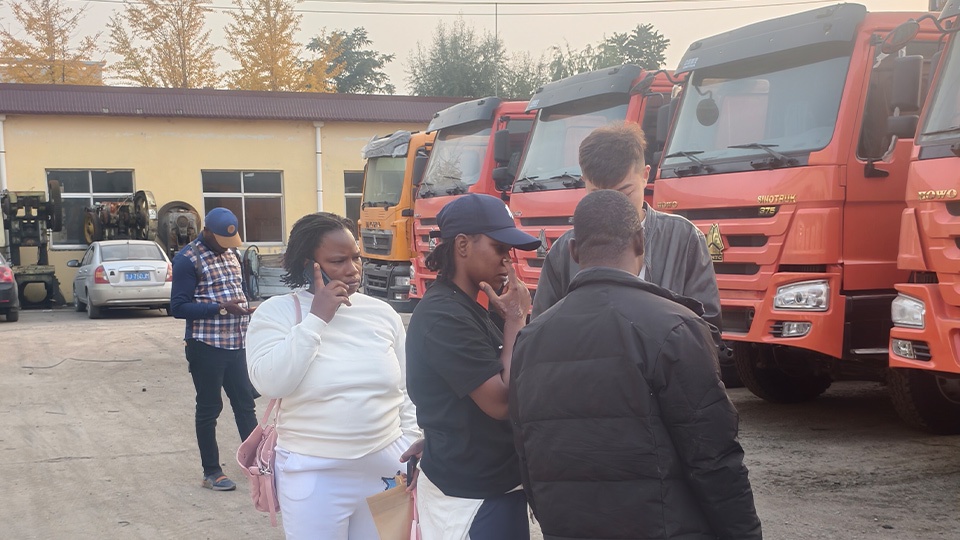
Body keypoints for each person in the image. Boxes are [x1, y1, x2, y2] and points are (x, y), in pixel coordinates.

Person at [510, 189, 762, 540]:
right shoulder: (676, 328)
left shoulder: (530, 339)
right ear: (641, 242)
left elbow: (527, 454)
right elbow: (714, 458)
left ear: (573, 251)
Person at [245, 212, 420, 540]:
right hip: (313, 472)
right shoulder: (278, 313)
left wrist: (410, 438)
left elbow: (406, 388)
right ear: (307, 263)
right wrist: (317, 319)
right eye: (338, 260)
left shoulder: (381, 314)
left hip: (385, 467)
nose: (352, 270)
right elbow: (271, 382)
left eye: (356, 258)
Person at [404, 193, 541, 540]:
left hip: (493, 486)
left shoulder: (468, 307)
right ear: (462, 245)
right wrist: (514, 320)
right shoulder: (444, 316)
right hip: (472, 497)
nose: (507, 262)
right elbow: (502, 402)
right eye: (499, 248)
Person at [531, 122, 722, 349]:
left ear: (645, 176)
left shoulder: (684, 239)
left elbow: (708, 331)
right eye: (598, 195)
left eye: (624, 193)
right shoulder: (563, 250)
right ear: (584, 183)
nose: (612, 206)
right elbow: (542, 332)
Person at [171, 207, 258, 491]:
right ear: (206, 232)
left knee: (245, 404)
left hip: (237, 343)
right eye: (221, 241)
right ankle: (212, 471)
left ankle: (255, 461)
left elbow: (237, 289)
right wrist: (221, 309)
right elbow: (178, 307)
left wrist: (247, 309)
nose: (226, 248)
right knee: (210, 409)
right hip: (206, 346)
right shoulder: (187, 259)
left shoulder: (231, 254)